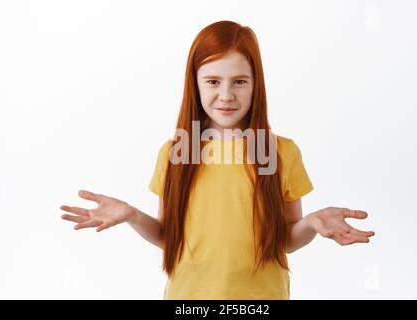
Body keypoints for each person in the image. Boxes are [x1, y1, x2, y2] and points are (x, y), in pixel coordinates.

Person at [60, 20, 375, 300]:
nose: (226, 95)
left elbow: (286, 241)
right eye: (213, 81)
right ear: (195, 84)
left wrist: (312, 223)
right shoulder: (176, 153)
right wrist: (131, 215)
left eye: (239, 81)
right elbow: (170, 239)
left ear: (256, 85)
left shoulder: (280, 152)